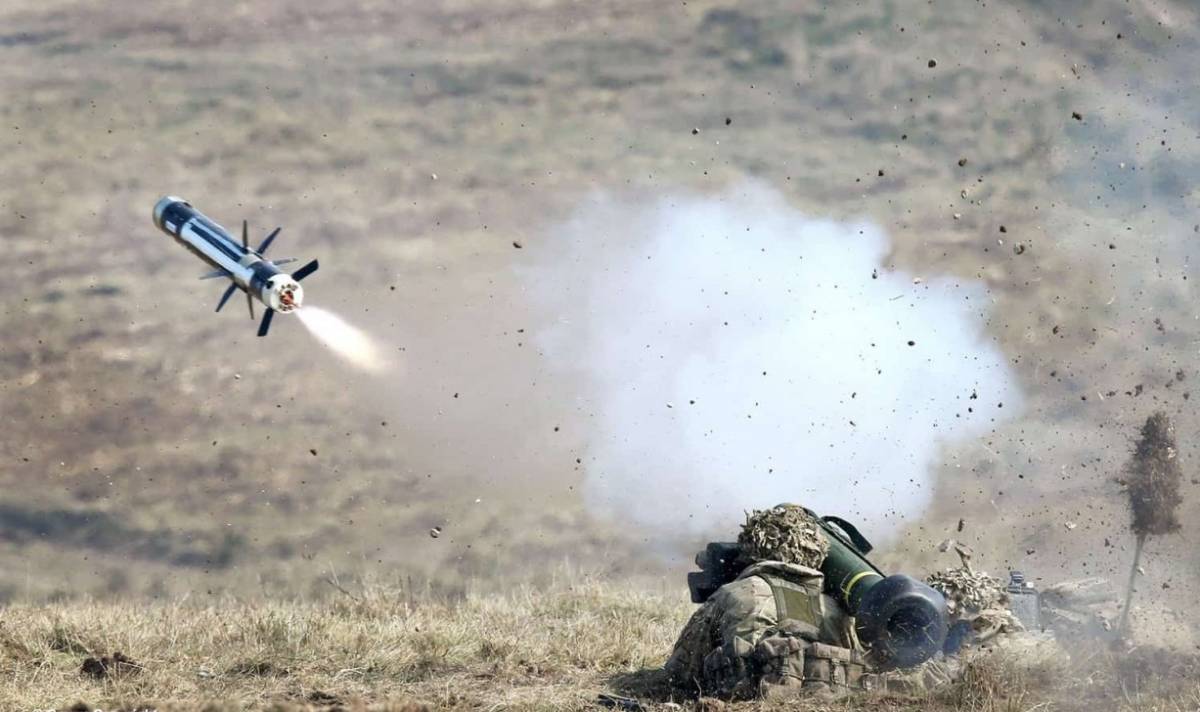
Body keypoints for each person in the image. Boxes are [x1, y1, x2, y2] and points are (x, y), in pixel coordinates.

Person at [664, 504, 863, 700]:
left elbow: (679, 672)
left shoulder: (733, 593)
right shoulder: (836, 610)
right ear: (817, 553)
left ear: (751, 548)